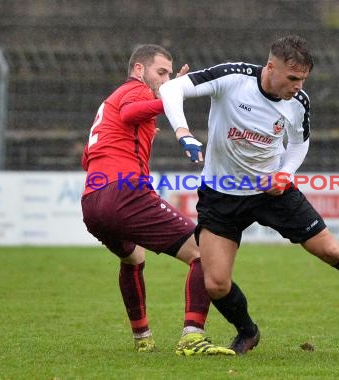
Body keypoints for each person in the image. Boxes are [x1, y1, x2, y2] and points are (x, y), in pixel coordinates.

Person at [159, 35, 339, 354]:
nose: (297, 86)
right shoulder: (233, 78)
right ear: (271, 67)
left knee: (331, 250)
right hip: (222, 195)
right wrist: (183, 133)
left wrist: (284, 174)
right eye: (292, 78)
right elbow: (171, 89)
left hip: (273, 193)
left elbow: (299, 143)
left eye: (303, 79)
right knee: (216, 283)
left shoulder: (298, 102)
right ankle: (247, 331)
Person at [80, 44, 235, 356]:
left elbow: (91, 155)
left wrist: (163, 97)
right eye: (160, 72)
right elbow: (131, 112)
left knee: (133, 259)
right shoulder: (134, 90)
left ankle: (143, 339)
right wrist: (168, 97)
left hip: (92, 200)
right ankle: (192, 337)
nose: (166, 79)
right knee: (204, 253)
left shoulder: (111, 101)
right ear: (139, 70)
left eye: (169, 75)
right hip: (125, 192)